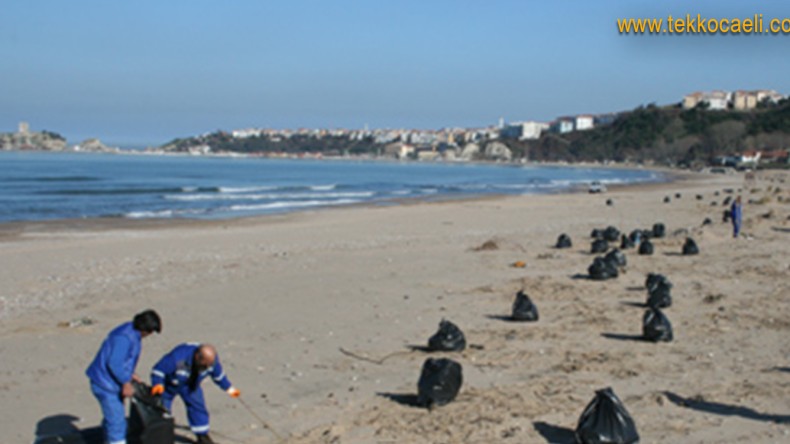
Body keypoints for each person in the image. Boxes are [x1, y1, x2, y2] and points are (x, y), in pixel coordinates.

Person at [86, 309, 162, 444]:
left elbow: (123, 361)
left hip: (109, 382)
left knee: (113, 418)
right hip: (105, 384)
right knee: (117, 422)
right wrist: (126, 382)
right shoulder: (124, 338)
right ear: (145, 329)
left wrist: (130, 374)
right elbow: (114, 363)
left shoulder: (130, 332)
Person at [150, 343, 240, 444]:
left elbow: (219, 376)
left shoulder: (212, 362)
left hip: (191, 385)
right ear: (197, 357)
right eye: (204, 365)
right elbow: (158, 370)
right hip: (169, 384)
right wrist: (158, 384)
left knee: (198, 408)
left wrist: (230, 389)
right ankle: (161, 436)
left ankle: (202, 436)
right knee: (162, 410)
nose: (207, 367)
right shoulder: (177, 357)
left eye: (209, 365)